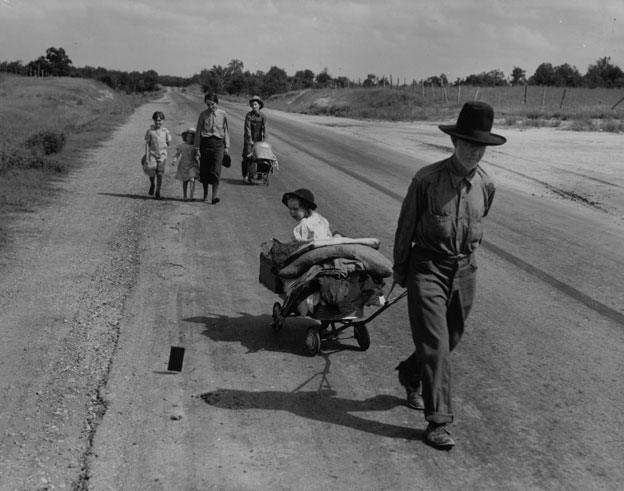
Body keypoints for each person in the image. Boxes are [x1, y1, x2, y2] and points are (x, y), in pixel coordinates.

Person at [392, 101, 506, 450]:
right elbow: (405, 227)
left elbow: (479, 219)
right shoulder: (426, 180)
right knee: (437, 345)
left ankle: (410, 374)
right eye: (469, 144)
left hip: (465, 270)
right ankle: (437, 422)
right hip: (427, 267)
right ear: (454, 143)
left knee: (451, 337)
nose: (474, 152)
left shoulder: (486, 185)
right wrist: (400, 268)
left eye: (481, 147)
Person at [194, 93, 230, 204]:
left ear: (217, 103)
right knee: (205, 170)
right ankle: (205, 194)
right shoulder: (203, 115)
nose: (210, 107)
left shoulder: (223, 114)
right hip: (205, 144)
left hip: (219, 144)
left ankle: (214, 197)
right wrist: (197, 148)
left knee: (216, 170)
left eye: (212, 104)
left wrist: (227, 147)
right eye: (208, 105)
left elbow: (226, 130)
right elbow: (198, 132)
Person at [143, 111, 171, 199]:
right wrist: (146, 156)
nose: (158, 122)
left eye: (160, 120)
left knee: (159, 173)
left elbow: (168, 143)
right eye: (156, 120)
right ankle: (152, 183)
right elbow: (147, 144)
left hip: (162, 155)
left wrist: (167, 141)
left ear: (163, 120)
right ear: (153, 121)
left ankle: (158, 192)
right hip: (152, 154)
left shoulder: (165, 131)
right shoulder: (150, 131)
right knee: (151, 171)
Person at [242, 95, 267, 183]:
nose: (254, 106)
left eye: (255, 104)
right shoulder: (248, 115)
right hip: (249, 140)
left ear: (259, 105)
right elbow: (247, 128)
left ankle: (259, 176)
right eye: (252, 105)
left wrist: (264, 142)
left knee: (261, 157)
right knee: (247, 157)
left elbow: (265, 129)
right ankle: (245, 176)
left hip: (259, 140)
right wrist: (250, 140)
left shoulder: (263, 116)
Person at [172, 127, 199, 201]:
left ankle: (191, 196)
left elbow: (197, 155)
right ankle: (185, 195)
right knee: (185, 181)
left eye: (192, 137)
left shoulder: (195, 147)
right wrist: (174, 160)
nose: (190, 138)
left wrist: (198, 156)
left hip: (192, 165)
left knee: (192, 179)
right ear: (185, 137)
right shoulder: (182, 146)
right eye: (189, 136)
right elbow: (177, 154)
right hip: (184, 165)